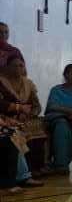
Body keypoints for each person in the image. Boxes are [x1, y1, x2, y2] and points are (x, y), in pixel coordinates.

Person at [0, 54, 45, 185]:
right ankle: (24, 175)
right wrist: (17, 110)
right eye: (15, 66)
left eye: (21, 66)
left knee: (38, 127)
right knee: (15, 133)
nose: (18, 68)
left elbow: (36, 106)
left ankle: (35, 169)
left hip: (26, 118)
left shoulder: (28, 83)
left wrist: (29, 114)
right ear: (7, 67)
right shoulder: (2, 82)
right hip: (7, 118)